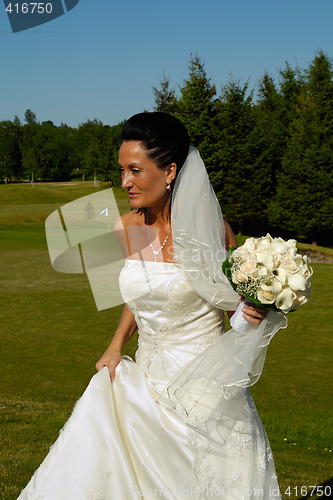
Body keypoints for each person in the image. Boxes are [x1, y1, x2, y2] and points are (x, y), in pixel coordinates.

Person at [18, 112, 284, 500]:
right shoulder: (124, 228)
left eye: (136, 170)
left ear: (170, 170)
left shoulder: (214, 231)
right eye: (122, 170)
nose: (125, 182)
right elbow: (137, 298)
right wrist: (115, 346)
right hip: (144, 384)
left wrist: (255, 311)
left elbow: (235, 316)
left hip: (206, 396)